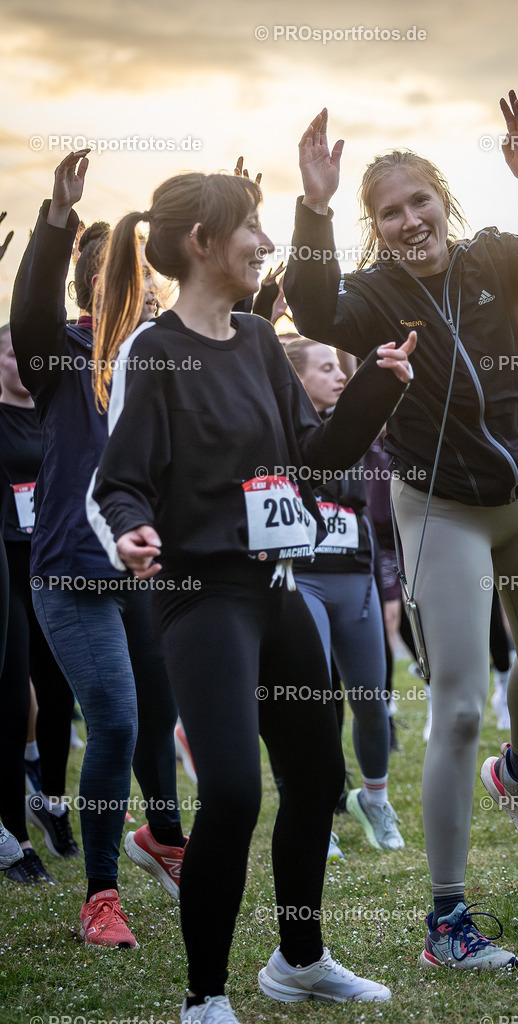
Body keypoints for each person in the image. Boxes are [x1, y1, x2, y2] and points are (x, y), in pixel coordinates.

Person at [284, 92, 518, 970]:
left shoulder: (492, 259)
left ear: (443, 200)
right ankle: (447, 923)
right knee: (459, 707)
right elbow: (310, 308)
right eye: (390, 211)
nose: (410, 219)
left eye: (420, 200)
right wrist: (313, 207)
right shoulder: (369, 297)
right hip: (440, 510)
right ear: (376, 227)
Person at [88, 168, 414, 1023]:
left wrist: (377, 386)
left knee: (318, 777)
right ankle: (204, 997)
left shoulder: (263, 341)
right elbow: (119, 479)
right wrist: (129, 528)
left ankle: (299, 960)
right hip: (202, 599)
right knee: (232, 792)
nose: (265, 243)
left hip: (277, 589)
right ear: (203, 243)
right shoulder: (154, 351)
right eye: (252, 228)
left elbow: (313, 459)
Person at [10, 150, 184, 947]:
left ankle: (166, 839)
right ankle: (101, 897)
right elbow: (30, 311)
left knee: (158, 716)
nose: (145, 289)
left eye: (150, 279)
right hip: (72, 575)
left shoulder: (161, 360)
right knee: (113, 720)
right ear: (94, 289)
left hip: (146, 572)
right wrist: (55, 220)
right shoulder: (60, 355)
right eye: (128, 278)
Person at [286, 338, 404, 855]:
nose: (339, 376)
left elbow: (366, 388)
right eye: (326, 368)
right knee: (314, 702)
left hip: (355, 578)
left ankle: (374, 800)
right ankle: (313, 813)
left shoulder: (351, 425)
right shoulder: (279, 426)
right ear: (296, 378)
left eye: (340, 367)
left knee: (371, 702)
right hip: (303, 578)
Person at [0, 324, 78, 884]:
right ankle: (16, 834)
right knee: (11, 697)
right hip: (7, 562)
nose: (19, 362)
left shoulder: (57, 409)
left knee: (58, 689)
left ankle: (52, 802)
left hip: (51, 559)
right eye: (9, 353)